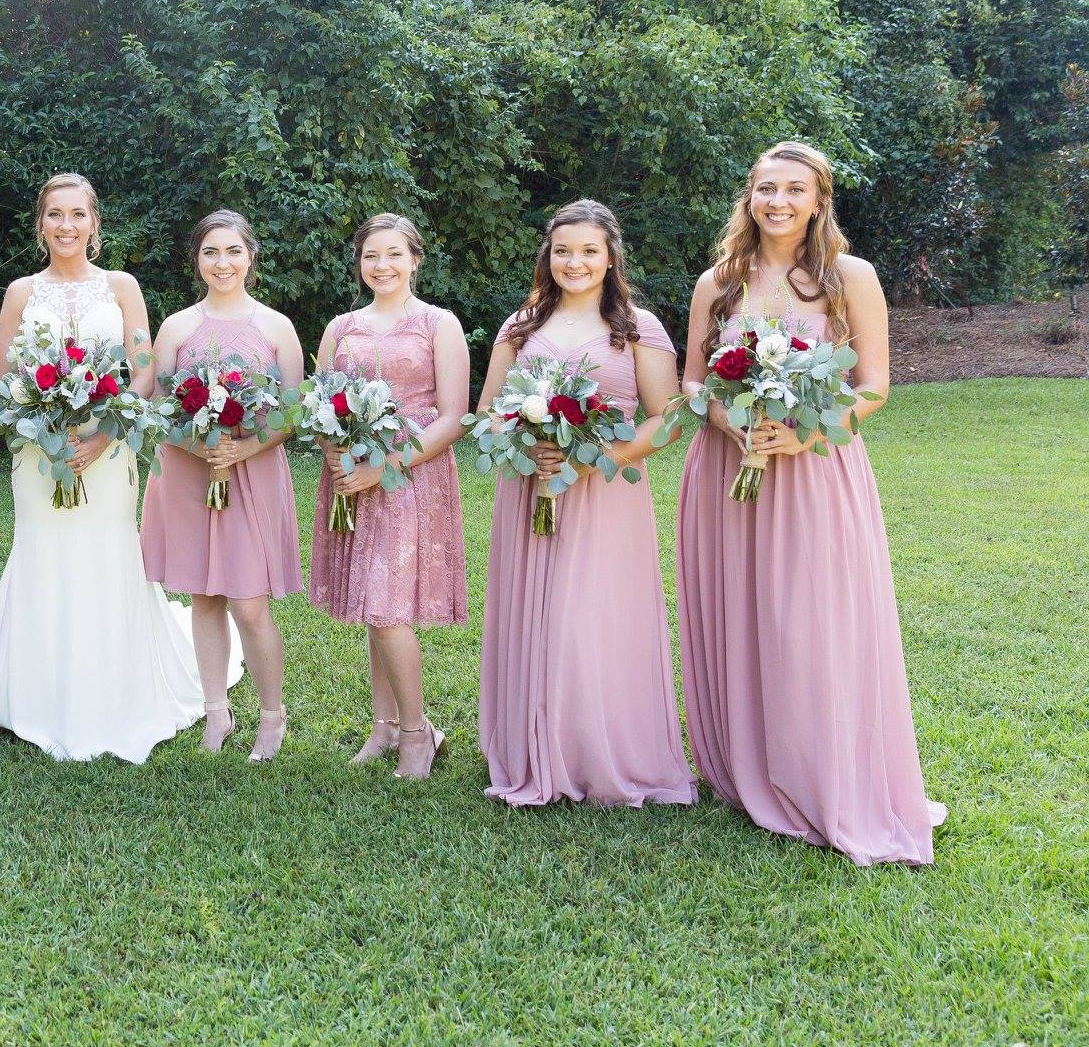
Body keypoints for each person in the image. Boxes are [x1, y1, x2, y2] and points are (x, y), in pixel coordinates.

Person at [675, 141, 944, 865]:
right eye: (767, 188)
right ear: (749, 196)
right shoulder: (718, 281)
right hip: (727, 469)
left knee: (811, 620)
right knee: (740, 610)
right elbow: (693, 381)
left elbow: (874, 386)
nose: (779, 202)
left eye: (795, 189)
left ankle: (821, 775)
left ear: (820, 199)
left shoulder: (849, 277)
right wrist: (725, 419)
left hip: (815, 470)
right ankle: (747, 765)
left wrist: (804, 435)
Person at [0, 173, 239, 761]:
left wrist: (104, 436)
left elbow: (143, 371)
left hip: (110, 450)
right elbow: (3, 378)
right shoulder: (21, 292)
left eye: (78, 214)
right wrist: (46, 427)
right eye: (55, 214)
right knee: (45, 548)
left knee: (107, 550)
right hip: (40, 453)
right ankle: (40, 691)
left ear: (94, 223)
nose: (66, 226)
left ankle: (114, 688)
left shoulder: (122, 286)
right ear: (40, 224)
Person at [475, 199, 695, 808]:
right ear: (548, 256)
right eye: (563, 250)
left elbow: (668, 419)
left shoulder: (638, 327)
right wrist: (527, 443)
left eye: (589, 251)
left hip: (606, 494)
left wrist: (593, 458)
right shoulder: (521, 326)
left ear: (611, 257)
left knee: (592, 617)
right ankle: (532, 746)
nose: (575, 262)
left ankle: (602, 750)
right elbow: (487, 411)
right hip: (531, 489)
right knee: (539, 613)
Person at [309, 213, 469, 780]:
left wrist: (385, 467)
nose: (382, 265)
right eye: (371, 255)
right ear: (359, 263)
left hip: (409, 476)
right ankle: (384, 728)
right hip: (350, 475)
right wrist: (334, 450)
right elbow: (319, 402)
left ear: (415, 260)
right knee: (372, 608)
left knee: (385, 609)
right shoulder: (340, 327)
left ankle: (418, 734)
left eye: (394, 254)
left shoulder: (438, 324)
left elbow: (454, 416)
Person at [139, 210, 303, 762]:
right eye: (211, 252)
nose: (222, 262)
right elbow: (159, 405)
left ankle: (272, 717)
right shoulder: (177, 327)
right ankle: (216, 712)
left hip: (252, 473)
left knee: (249, 603)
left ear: (250, 256)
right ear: (197, 260)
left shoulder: (275, 326)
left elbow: (292, 410)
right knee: (203, 596)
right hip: (190, 472)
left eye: (233, 250)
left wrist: (243, 449)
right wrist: (199, 447)